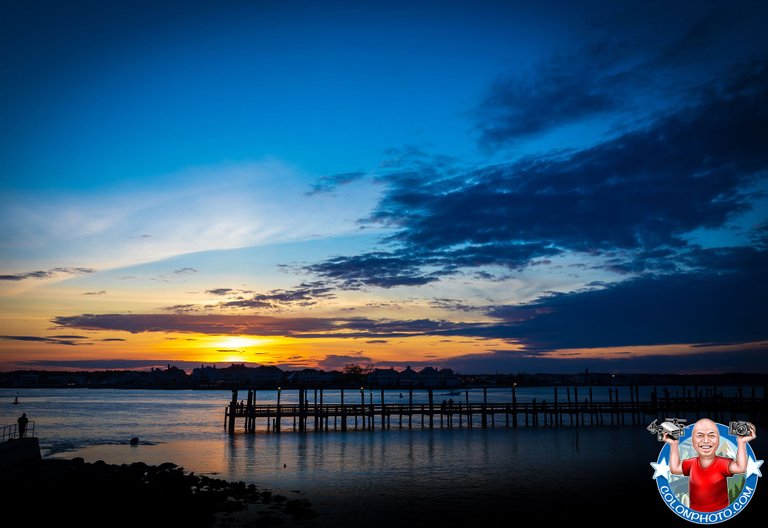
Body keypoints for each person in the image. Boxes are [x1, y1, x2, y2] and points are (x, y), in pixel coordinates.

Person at [666, 418, 757, 512]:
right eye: (700, 435)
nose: (706, 440)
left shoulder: (723, 463)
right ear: (692, 442)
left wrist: (741, 443)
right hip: (696, 516)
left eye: (712, 435)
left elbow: (740, 468)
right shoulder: (691, 463)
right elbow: (675, 469)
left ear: (718, 440)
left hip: (720, 515)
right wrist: (674, 445)